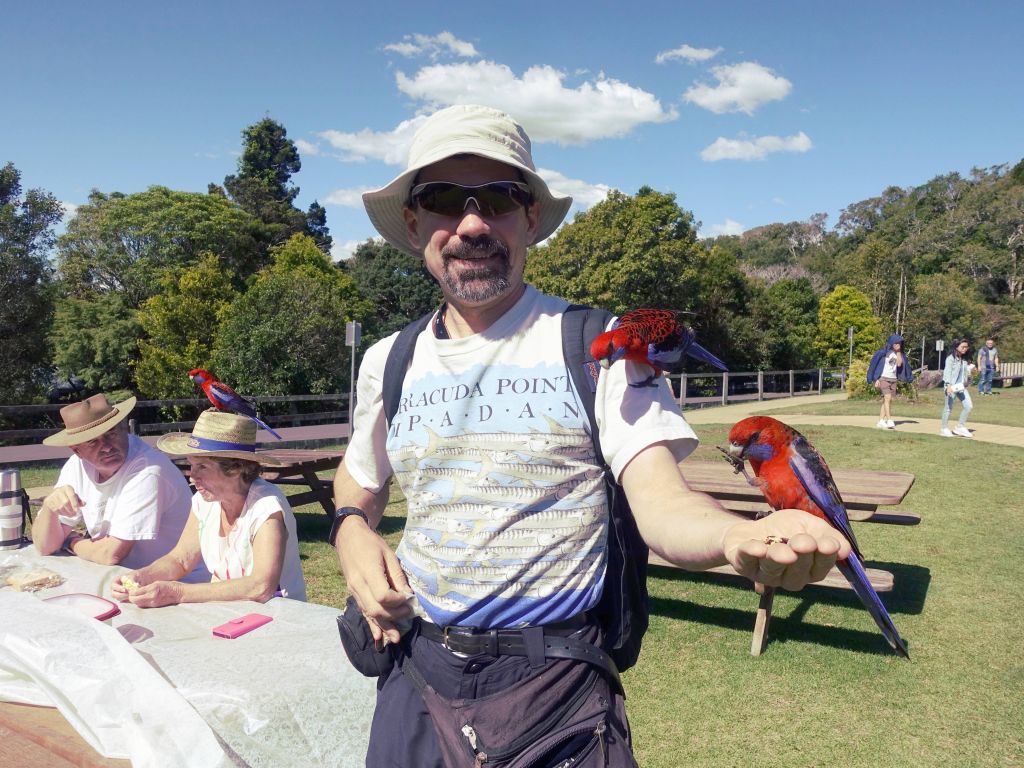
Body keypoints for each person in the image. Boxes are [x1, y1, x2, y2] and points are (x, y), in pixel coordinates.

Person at [330, 104, 851, 765]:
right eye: (441, 200)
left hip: (556, 692)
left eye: (497, 198)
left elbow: (661, 500)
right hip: (418, 674)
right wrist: (351, 526)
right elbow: (361, 476)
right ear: (413, 222)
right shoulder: (389, 359)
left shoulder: (597, 346)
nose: (471, 224)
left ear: (531, 220)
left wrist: (733, 536)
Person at [112, 409, 306, 607]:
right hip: (225, 611)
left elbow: (261, 587)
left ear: (237, 468)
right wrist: (142, 576)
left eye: (202, 467)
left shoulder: (266, 507)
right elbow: (180, 559)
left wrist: (178, 592)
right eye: (191, 465)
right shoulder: (204, 502)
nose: (192, 476)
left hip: (276, 617)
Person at [32, 393, 200, 576]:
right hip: (128, 578)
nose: (106, 447)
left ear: (124, 430)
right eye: (92, 441)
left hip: (180, 583)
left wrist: (71, 542)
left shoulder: (148, 470)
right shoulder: (77, 466)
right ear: (77, 450)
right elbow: (44, 546)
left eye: (111, 434)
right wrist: (49, 506)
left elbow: (110, 554)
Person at [867, 334, 913, 429]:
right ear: (891, 343)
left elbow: (899, 364)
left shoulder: (899, 354)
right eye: (896, 343)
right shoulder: (883, 353)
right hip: (883, 378)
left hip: (893, 379)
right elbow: (874, 365)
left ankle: (880, 421)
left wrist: (899, 351)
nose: (898, 345)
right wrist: (875, 379)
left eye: (899, 343)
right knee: (887, 398)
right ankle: (889, 420)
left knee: (887, 400)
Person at [941, 339, 974, 438]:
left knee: (969, 406)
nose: (965, 349)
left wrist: (971, 374)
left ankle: (960, 427)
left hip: (961, 387)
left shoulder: (964, 360)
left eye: (966, 347)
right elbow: (947, 372)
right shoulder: (951, 358)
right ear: (956, 347)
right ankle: (944, 428)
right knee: (948, 408)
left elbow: (965, 373)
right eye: (962, 347)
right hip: (951, 386)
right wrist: (948, 385)